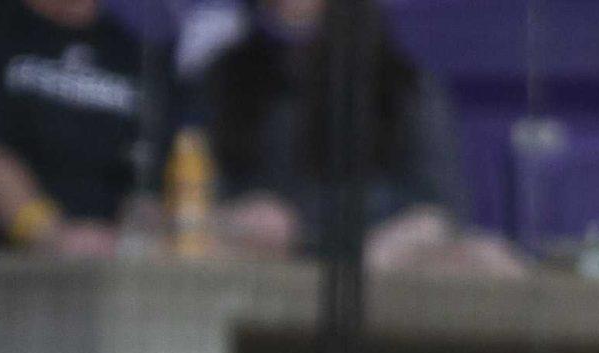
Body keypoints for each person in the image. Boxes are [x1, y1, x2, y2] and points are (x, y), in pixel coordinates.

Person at [199, 0, 518, 273]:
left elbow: (439, 210)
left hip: (380, 283)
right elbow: (187, 200)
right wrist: (236, 218)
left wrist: (389, 243)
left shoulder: (399, 84)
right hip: (256, 279)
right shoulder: (226, 77)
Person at [0, 0, 167, 253]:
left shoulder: (131, 53)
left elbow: (148, 185)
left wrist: (135, 242)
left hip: (111, 269)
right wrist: (53, 236)